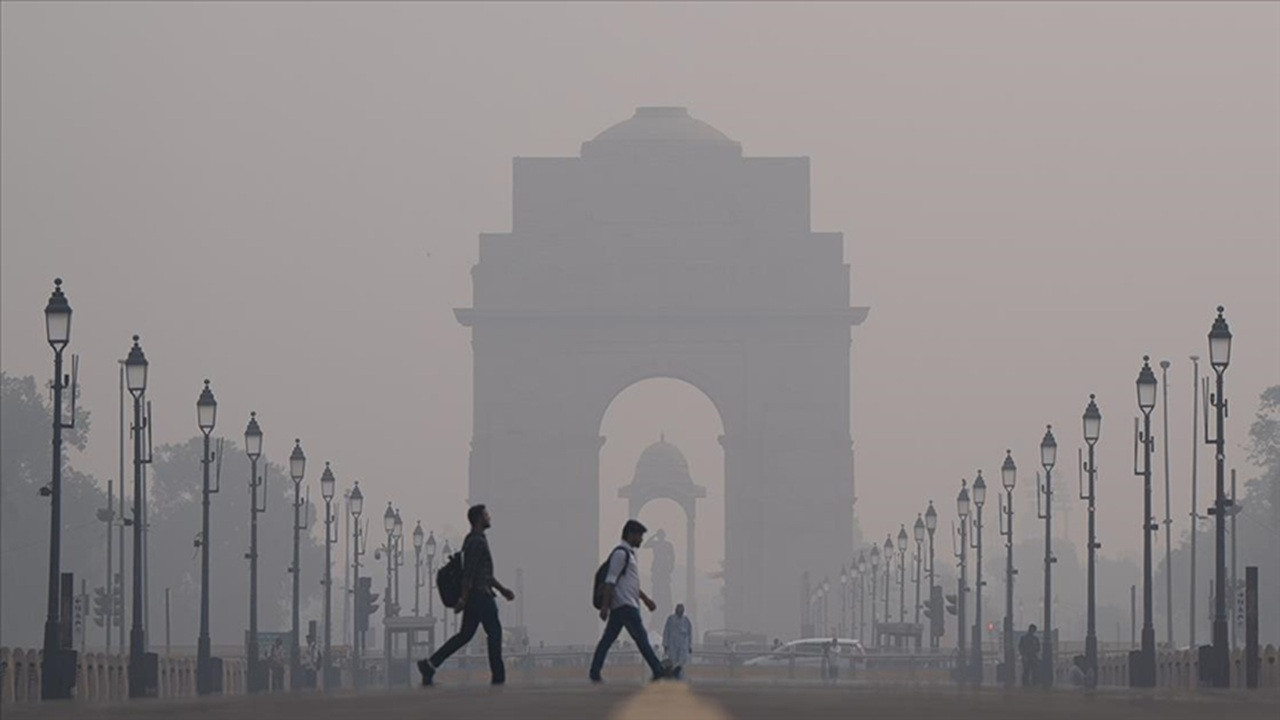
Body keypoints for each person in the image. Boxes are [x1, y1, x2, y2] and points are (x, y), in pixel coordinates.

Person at [417, 504, 515, 686]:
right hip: (480, 597)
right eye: (486, 515)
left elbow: (483, 574)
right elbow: (469, 574)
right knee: (494, 633)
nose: (489, 518)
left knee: (465, 635)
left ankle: (430, 665)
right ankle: (498, 677)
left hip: (477, 595)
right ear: (479, 519)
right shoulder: (476, 542)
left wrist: (502, 590)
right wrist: (463, 598)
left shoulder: (473, 540)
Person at [590, 519, 666, 683]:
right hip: (625, 605)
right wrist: (604, 607)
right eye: (639, 536)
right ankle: (658, 670)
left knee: (608, 640)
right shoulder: (620, 554)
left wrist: (646, 600)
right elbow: (611, 581)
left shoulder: (629, 555)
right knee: (641, 638)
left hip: (624, 604)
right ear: (631, 535)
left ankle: (594, 672)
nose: (641, 539)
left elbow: (629, 584)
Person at [662, 603, 693, 679]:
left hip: (683, 645)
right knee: (672, 661)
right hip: (672, 644)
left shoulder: (686, 620)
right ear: (676, 610)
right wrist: (665, 644)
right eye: (679, 609)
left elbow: (690, 633)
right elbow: (666, 631)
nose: (681, 611)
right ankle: (674, 677)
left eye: (682, 609)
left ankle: (679, 677)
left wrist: (690, 646)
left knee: (682, 661)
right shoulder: (671, 619)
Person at [1018, 623, 1041, 687]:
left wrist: (1023, 654)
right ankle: (1032, 683)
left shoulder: (1024, 638)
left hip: (1028, 656)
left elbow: (1020, 647)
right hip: (1030, 656)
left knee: (1027, 671)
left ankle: (1026, 683)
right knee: (1030, 671)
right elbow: (1038, 648)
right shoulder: (1035, 639)